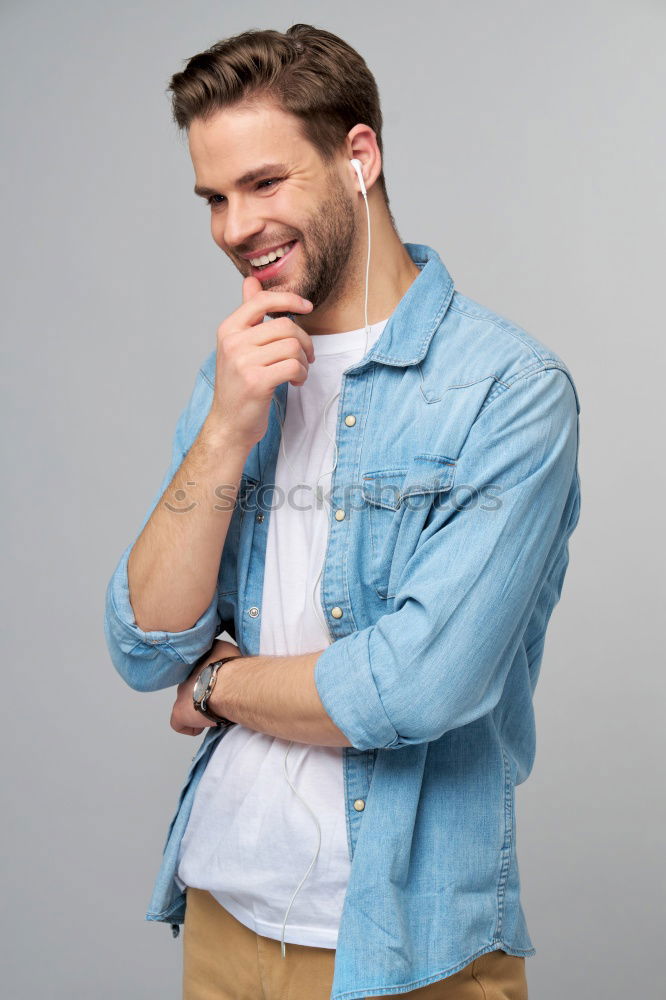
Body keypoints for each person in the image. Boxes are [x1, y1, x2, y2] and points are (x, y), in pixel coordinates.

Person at [104, 23, 581, 1000]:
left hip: (407, 949)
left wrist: (221, 687)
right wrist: (227, 431)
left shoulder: (509, 390)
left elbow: (409, 687)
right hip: (221, 919)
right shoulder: (233, 374)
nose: (236, 226)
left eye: (265, 184)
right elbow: (146, 645)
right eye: (215, 197)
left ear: (358, 156)